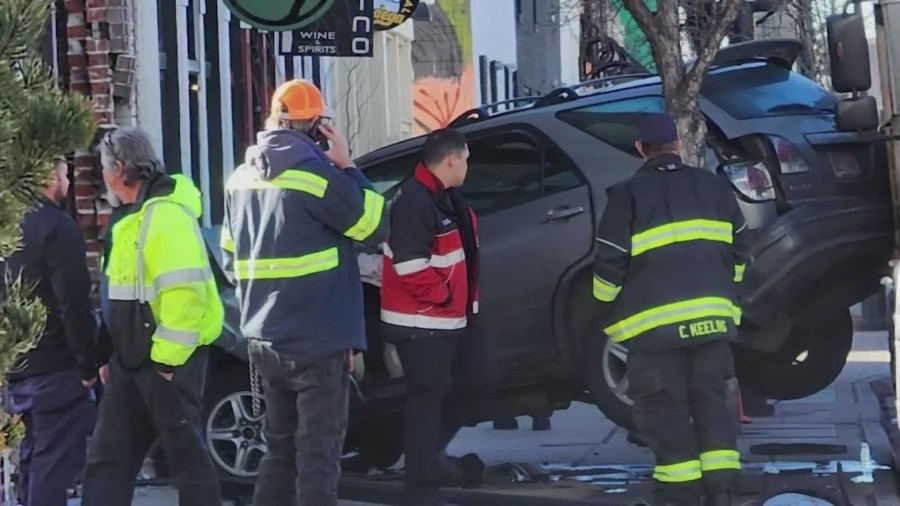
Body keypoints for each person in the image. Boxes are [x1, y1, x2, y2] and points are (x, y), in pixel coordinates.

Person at [221, 79, 388, 506]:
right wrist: (348, 165)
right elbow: (373, 225)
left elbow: (229, 257)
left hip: (264, 340)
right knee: (318, 456)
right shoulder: (318, 179)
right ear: (317, 127)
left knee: (280, 452)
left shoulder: (239, 180)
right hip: (317, 343)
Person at [591, 112, 750, 506]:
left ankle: (679, 495)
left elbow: (609, 265)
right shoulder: (713, 187)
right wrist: (724, 289)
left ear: (640, 149)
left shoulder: (626, 196)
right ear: (677, 145)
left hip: (656, 335)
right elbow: (742, 249)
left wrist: (603, 307)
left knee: (666, 411)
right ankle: (723, 492)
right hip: (712, 325)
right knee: (714, 405)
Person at [80, 127, 224, 506]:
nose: (103, 176)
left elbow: (185, 295)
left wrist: (164, 363)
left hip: (167, 361)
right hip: (134, 361)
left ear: (121, 169)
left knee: (185, 458)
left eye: (105, 167)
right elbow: (119, 292)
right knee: (108, 459)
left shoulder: (165, 217)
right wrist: (108, 353)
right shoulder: (129, 216)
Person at [380, 128, 497, 506]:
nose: (468, 167)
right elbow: (410, 266)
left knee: (476, 385)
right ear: (451, 160)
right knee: (426, 403)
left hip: (453, 322)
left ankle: (427, 459)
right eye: (465, 159)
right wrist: (445, 296)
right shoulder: (414, 200)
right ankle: (421, 488)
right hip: (423, 325)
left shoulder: (444, 198)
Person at [4, 158, 98, 506]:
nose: (69, 181)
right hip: (55, 366)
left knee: (31, 461)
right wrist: (88, 367)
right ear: (48, 177)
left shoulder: (9, 224)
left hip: (16, 367)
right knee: (52, 467)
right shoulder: (56, 227)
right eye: (64, 173)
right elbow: (73, 303)